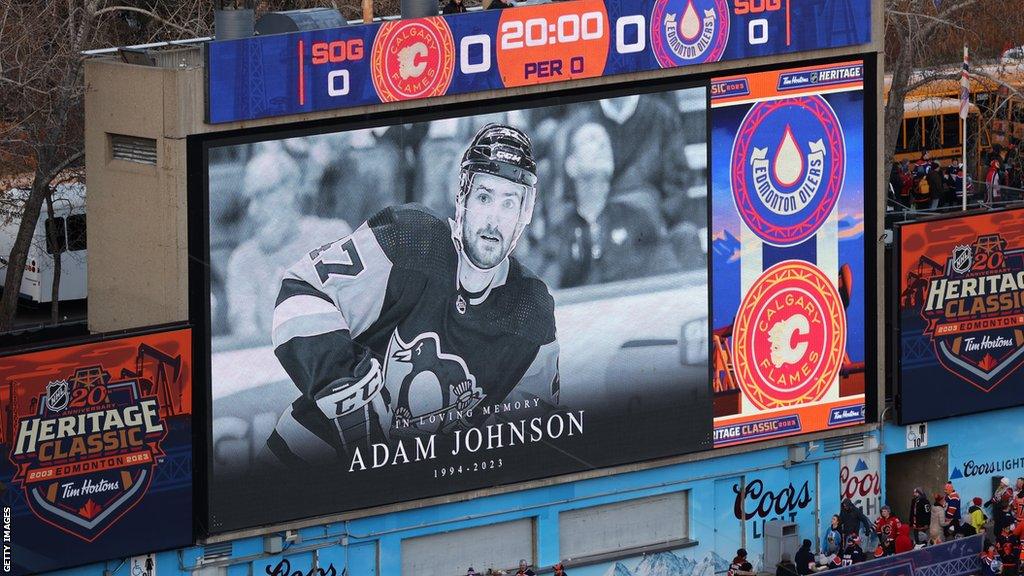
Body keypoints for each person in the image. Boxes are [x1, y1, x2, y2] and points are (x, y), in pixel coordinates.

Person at [261, 124, 561, 464]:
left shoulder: (531, 310)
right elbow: (301, 293)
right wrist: (350, 398)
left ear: (525, 214)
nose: (494, 218)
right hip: (305, 466)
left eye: (509, 203)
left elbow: (531, 440)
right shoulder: (413, 241)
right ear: (461, 199)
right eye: (484, 196)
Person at [225, 151, 353, 342]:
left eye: (260, 196)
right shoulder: (242, 261)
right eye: (248, 201)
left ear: (289, 191)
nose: (252, 211)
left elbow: (357, 314)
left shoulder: (334, 237)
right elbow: (245, 337)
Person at [553, 122, 678, 287]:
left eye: (605, 141)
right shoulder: (559, 232)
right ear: (571, 166)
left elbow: (667, 280)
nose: (601, 144)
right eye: (590, 139)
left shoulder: (638, 218)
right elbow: (543, 292)